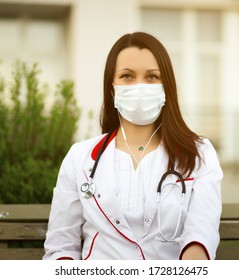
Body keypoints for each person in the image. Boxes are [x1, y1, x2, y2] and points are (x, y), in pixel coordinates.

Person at [43, 32, 223, 260]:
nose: (139, 86)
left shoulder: (199, 154)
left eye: (151, 77)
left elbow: (200, 236)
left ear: (166, 87)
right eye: (127, 76)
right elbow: (61, 248)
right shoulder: (80, 158)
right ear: (112, 88)